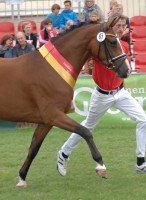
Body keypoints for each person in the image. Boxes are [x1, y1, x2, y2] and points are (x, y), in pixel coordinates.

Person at [57, 15, 146, 176]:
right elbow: (85, 57)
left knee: (143, 119)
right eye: (117, 25)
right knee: (88, 126)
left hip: (120, 92)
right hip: (102, 95)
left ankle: (141, 161)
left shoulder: (125, 45)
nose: (119, 28)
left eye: (122, 25)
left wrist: (123, 86)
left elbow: (122, 69)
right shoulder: (101, 44)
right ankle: (63, 153)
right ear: (112, 27)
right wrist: (87, 65)